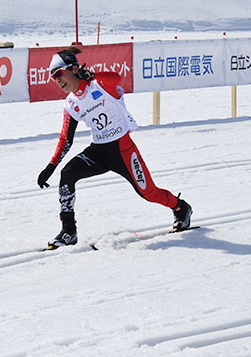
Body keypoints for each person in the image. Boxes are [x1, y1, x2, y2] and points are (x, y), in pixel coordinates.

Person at [37, 47, 192, 249]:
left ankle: (181, 208)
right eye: (52, 77)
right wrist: (51, 167)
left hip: (123, 149)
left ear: (73, 69)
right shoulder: (71, 103)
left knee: (149, 193)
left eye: (58, 73)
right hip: (99, 151)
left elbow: (116, 78)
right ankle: (69, 231)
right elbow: (66, 138)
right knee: (68, 174)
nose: (57, 80)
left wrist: (92, 75)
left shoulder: (98, 84)